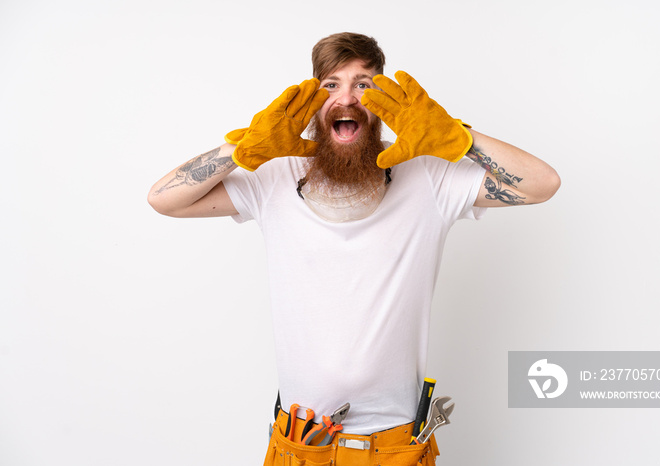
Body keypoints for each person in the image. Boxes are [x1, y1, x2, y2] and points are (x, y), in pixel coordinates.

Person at [148, 32, 560, 465]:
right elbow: (164, 199)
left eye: (364, 83)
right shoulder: (274, 177)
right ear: (310, 98)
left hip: (395, 447)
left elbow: (542, 184)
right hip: (299, 444)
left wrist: (458, 138)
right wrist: (243, 150)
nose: (347, 97)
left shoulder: (429, 177)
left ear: (383, 97)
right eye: (330, 84)